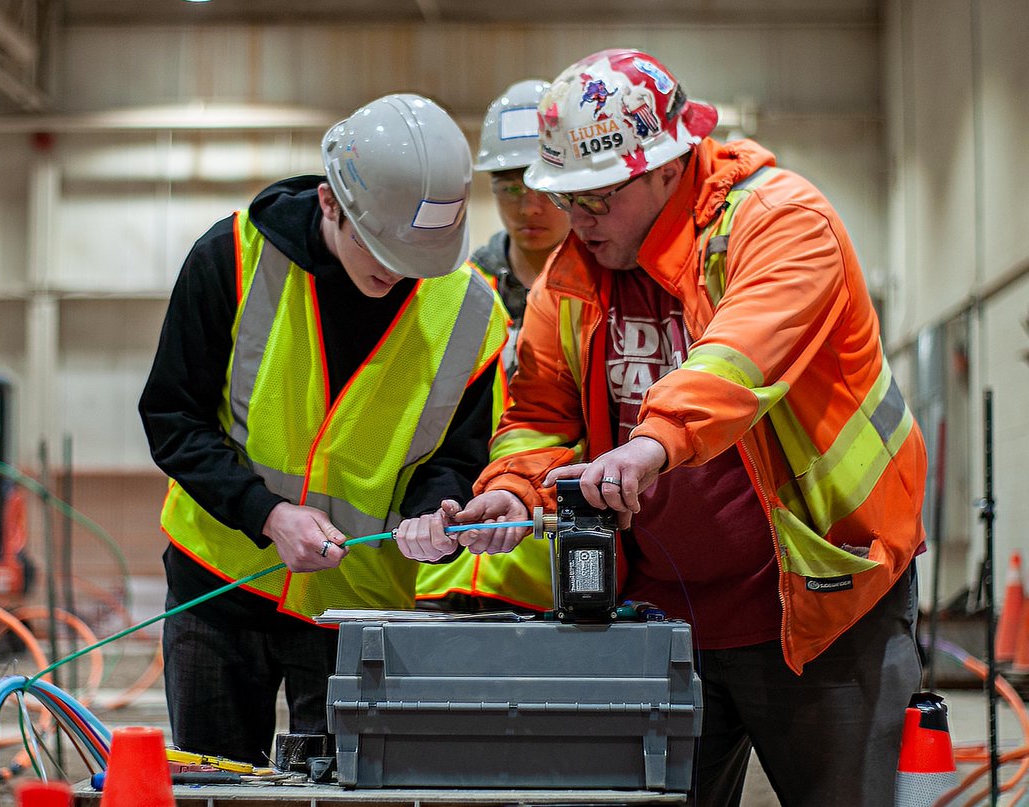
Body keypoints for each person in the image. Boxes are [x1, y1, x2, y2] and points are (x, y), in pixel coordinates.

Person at [437, 49, 929, 806]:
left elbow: (737, 361)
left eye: (597, 199)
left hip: (822, 612)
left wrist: (649, 442)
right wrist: (512, 489)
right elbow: (536, 414)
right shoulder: (569, 279)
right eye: (568, 200)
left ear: (669, 166)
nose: (577, 222)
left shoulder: (783, 223)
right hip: (655, 625)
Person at [138, 93, 508, 766]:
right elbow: (172, 417)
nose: (396, 273)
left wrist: (435, 511)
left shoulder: (473, 312)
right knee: (217, 782)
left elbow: (457, 455)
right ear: (331, 202)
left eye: (417, 258)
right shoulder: (232, 258)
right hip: (219, 585)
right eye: (381, 250)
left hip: (360, 605)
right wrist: (266, 513)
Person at [415, 79, 570, 614]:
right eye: (509, 186)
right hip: (447, 567)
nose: (528, 207)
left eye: (542, 186)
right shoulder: (458, 295)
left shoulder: (600, 299)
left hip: (551, 568)